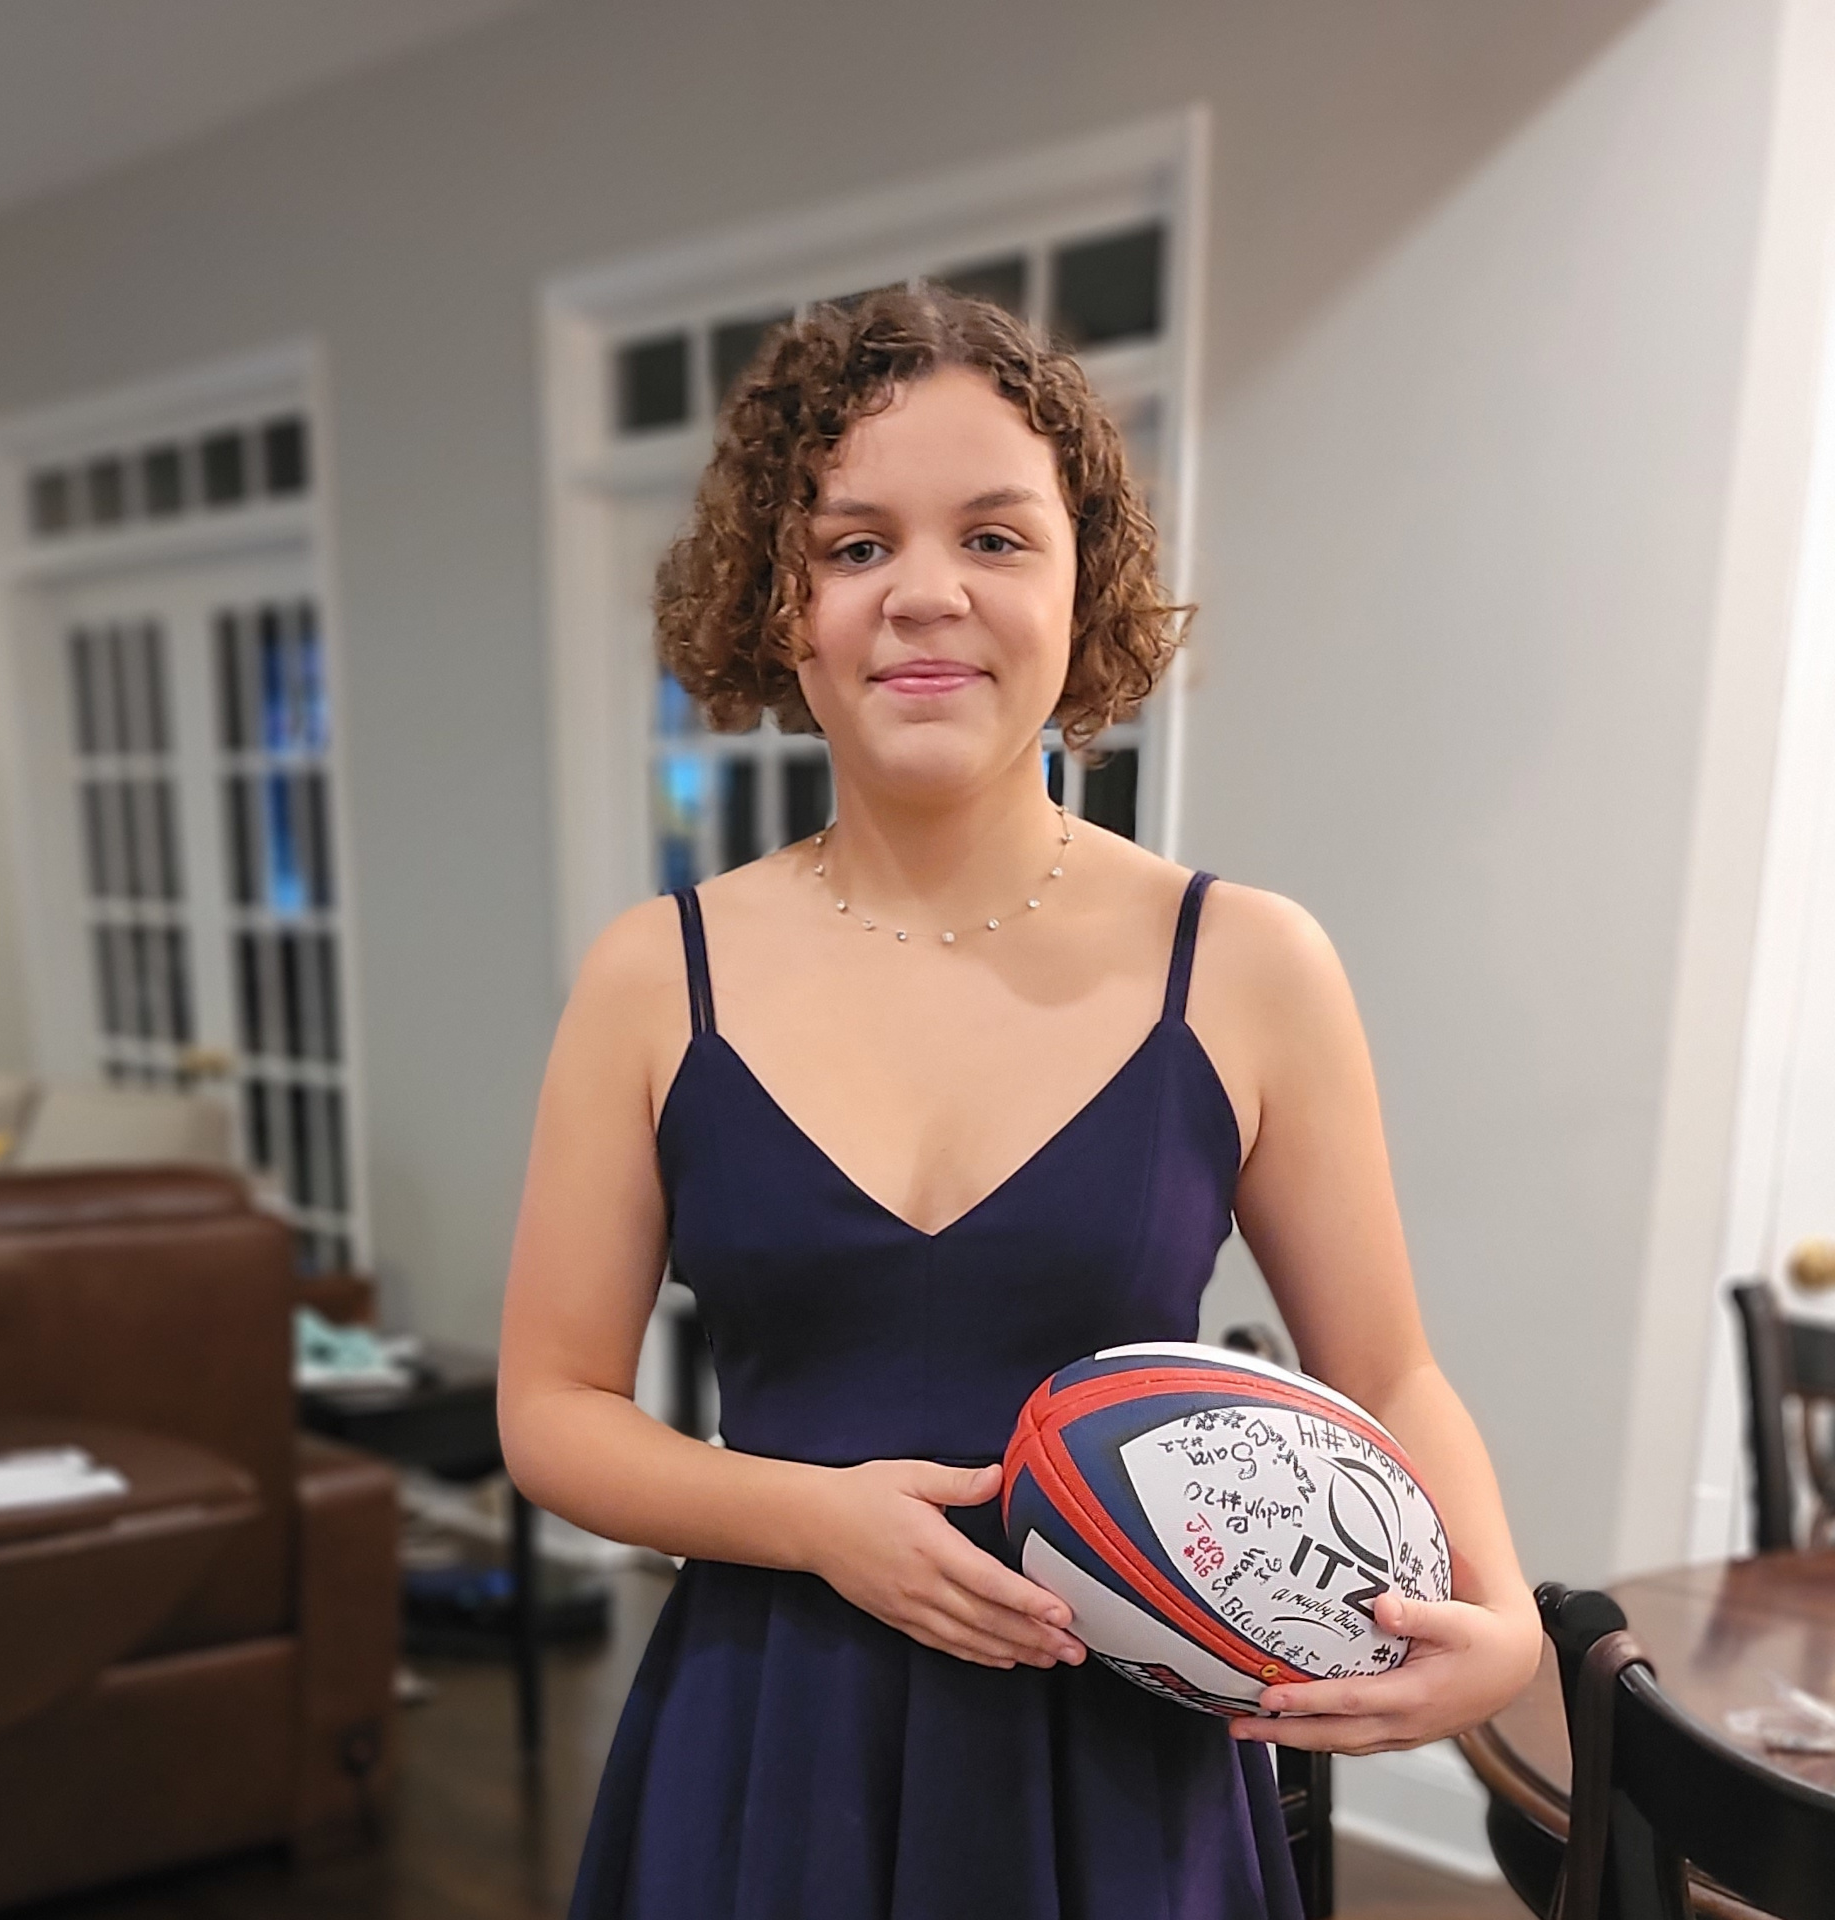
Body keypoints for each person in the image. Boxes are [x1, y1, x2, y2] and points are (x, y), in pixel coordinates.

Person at [498, 287, 1541, 1920]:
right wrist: (811, 1522)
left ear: (1081, 585)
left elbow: (1389, 1365)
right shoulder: (655, 974)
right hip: (769, 1737)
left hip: (1118, 1765)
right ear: (779, 605)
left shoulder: (1248, 963)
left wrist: (1508, 1621)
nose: (923, 595)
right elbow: (554, 1406)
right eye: (853, 548)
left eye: (995, 537)